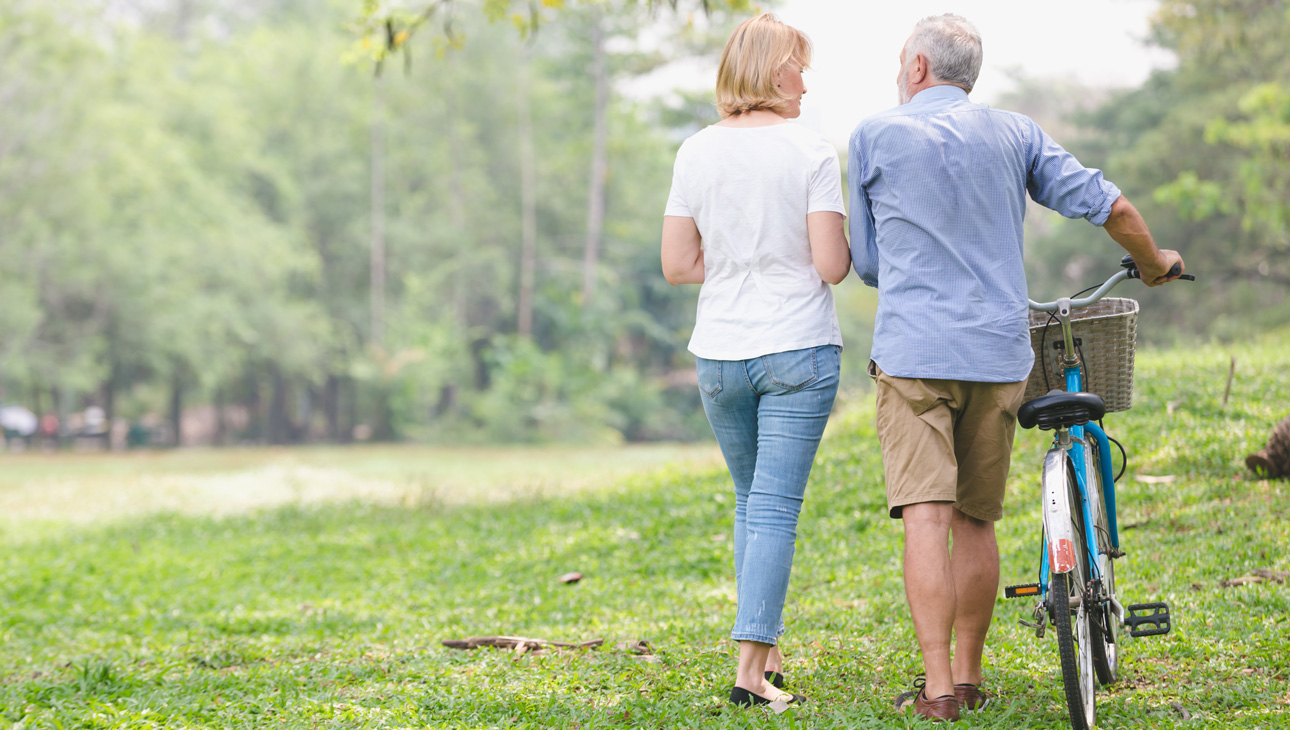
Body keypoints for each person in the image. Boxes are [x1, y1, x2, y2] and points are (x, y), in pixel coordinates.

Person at [847, 14, 1185, 722]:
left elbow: (870, 265)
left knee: (924, 519)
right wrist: (1153, 266)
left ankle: (938, 692)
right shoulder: (1016, 133)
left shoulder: (873, 137)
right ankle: (970, 676)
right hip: (997, 353)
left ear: (915, 68)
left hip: (912, 355)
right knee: (976, 520)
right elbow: (1110, 204)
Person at [661, 12, 850, 710]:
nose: (805, 79)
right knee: (772, 507)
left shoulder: (694, 152)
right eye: (799, 65)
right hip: (796, 345)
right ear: (776, 73)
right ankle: (748, 674)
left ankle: (765, 653)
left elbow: (678, 264)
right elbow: (830, 266)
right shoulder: (809, 152)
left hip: (719, 355)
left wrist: (738, 258)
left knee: (751, 503)